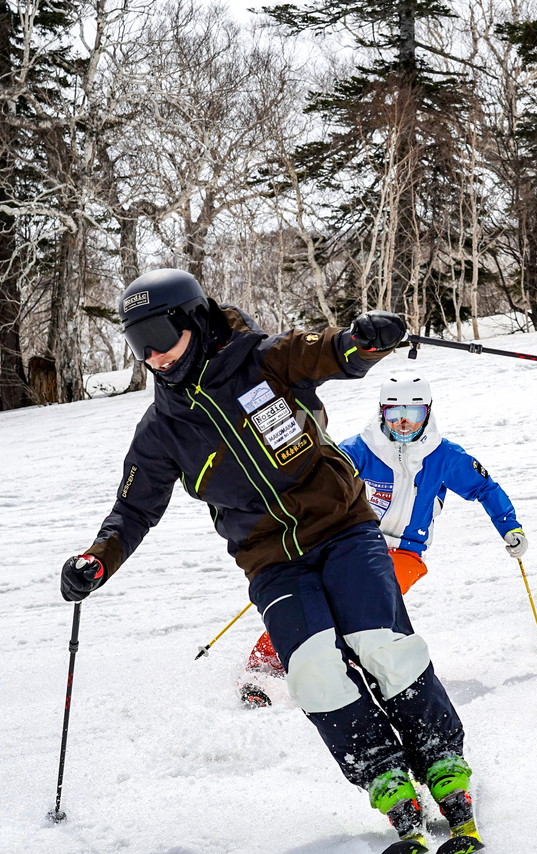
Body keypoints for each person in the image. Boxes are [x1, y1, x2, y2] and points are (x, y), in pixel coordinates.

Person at [58, 269, 483, 851]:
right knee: (311, 668)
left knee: (379, 639)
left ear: (195, 319)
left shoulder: (265, 359)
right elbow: (132, 509)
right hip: (269, 559)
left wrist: (366, 340)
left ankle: (444, 767)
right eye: (139, 344)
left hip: (342, 528)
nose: (153, 355)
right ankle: (385, 778)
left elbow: (334, 353)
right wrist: (97, 560)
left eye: (159, 334)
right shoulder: (163, 429)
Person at [240, 373, 528, 705]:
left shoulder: (445, 455)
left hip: (406, 550)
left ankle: (354, 667)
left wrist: (511, 527)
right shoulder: (357, 449)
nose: (403, 424)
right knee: (311, 597)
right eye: (394, 415)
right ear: (381, 413)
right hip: (354, 539)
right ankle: (262, 669)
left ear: (428, 413)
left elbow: (484, 488)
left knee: (363, 599)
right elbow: (317, 484)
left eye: (413, 415)